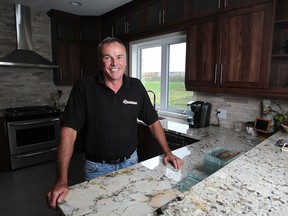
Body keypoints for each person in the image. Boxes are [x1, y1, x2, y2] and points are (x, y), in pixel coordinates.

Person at [46, 37, 184, 209]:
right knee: (100, 211)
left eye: (119, 57)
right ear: (100, 61)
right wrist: (61, 180)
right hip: (97, 168)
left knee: (130, 207)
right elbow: (68, 132)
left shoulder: (136, 87)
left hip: (131, 163)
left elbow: (153, 122)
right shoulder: (84, 86)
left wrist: (168, 152)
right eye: (107, 57)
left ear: (125, 61)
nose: (114, 63)